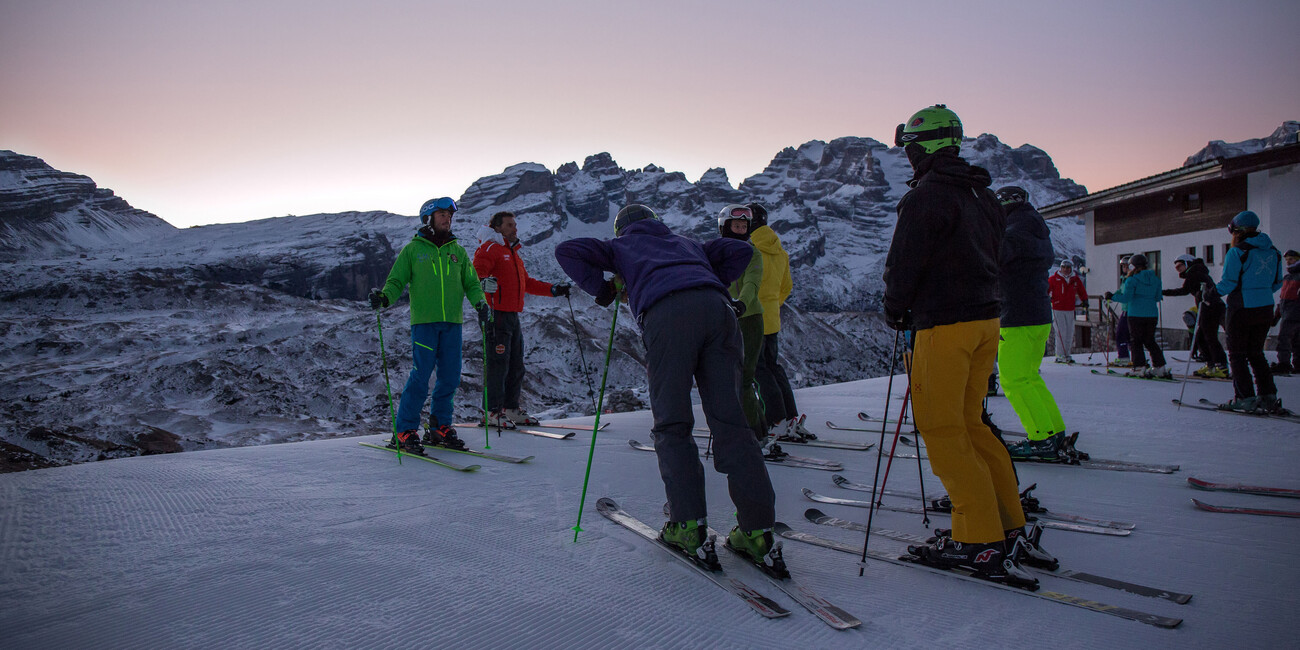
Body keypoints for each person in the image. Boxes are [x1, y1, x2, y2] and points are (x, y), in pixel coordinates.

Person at [554, 204, 783, 573]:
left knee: (673, 423)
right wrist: (710, 276)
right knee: (732, 424)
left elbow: (568, 251)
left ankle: (688, 526)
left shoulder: (621, 246)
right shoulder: (687, 242)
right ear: (657, 222)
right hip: (719, 312)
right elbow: (742, 250)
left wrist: (605, 288)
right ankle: (758, 533)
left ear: (621, 229)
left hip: (667, 316)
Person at [883, 104, 1041, 587]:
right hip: (986, 323)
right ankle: (1008, 525)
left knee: (943, 429)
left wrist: (896, 309)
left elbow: (904, 264)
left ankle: (976, 538)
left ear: (920, 147)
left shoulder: (926, 197)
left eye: (908, 146)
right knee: (972, 424)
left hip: (944, 327)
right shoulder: (983, 195)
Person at [368, 197, 489, 453]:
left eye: (449, 215)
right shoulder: (413, 250)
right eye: (442, 214)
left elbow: (472, 283)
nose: (447, 218)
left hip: (453, 324)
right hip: (424, 323)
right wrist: (384, 298)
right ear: (428, 218)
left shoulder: (457, 251)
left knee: (450, 377)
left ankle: (439, 427)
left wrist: (480, 303)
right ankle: (404, 430)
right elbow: (396, 281)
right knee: (421, 376)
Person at [473, 211, 571, 428]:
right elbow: (475, 275)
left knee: (516, 364)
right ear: (497, 228)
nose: (514, 228)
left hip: (512, 315)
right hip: (495, 313)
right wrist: (483, 283)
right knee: (498, 364)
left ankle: (510, 409)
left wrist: (553, 290)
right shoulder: (489, 248)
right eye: (509, 225)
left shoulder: (512, 252)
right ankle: (491, 412)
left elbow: (527, 283)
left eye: (514, 224)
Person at [993, 186, 1068, 461]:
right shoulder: (1035, 229)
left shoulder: (1014, 231)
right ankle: (1054, 432)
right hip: (1037, 315)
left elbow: (993, 257)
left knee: (1013, 380)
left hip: (1017, 316)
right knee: (1030, 377)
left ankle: (1041, 438)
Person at [748, 203, 811, 441]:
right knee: (773, 367)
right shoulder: (779, 250)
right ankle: (789, 417)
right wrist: (773, 304)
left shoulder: (750, 248)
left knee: (758, 371)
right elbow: (787, 287)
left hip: (752, 318)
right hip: (773, 319)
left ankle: (775, 421)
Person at [1215, 211, 1284, 412]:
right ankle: (1268, 395)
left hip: (1241, 308)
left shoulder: (1238, 252)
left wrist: (1212, 293)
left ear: (1236, 230)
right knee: (1256, 352)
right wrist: (1260, 292)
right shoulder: (1274, 252)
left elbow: (1228, 282)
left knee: (1237, 354)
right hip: (1265, 308)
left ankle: (1245, 397)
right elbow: (1277, 282)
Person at [717, 205, 767, 442]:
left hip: (749, 319)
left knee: (745, 378)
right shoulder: (717, 252)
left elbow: (752, 283)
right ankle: (758, 429)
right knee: (731, 378)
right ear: (725, 228)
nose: (740, 230)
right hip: (726, 317)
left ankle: (755, 435)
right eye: (735, 226)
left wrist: (741, 303)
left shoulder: (753, 253)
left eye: (743, 226)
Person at [1162, 253, 1228, 378]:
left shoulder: (1194, 273)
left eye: (1180, 266)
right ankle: (1212, 364)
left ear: (1187, 263)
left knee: (1208, 337)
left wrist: (1164, 293)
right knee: (1202, 337)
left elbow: (1184, 290)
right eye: (1176, 267)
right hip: (1209, 307)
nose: (1179, 269)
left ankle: (1220, 366)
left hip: (1209, 307)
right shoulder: (1197, 272)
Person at [1104, 254, 1168, 378]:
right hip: (1152, 314)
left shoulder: (1132, 280)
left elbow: (1126, 298)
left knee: (1136, 341)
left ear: (1132, 266)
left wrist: (1112, 296)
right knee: (1150, 340)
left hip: (1135, 314)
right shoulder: (1155, 279)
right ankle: (1160, 367)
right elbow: (1157, 297)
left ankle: (1139, 367)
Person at [1047, 259, 1088, 363]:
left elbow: (1081, 290)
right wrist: (1047, 299)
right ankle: (1060, 355)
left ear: (1071, 268)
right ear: (1060, 268)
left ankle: (1067, 354)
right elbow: (1046, 291)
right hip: (1057, 308)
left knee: (1070, 332)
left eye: (1068, 267)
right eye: (1064, 267)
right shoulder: (1053, 279)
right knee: (1061, 332)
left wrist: (1085, 300)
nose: (1066, 270)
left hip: (1070, 309)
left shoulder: (1075, 279)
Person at [1272, 249, 1300, 376]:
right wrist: (1277, 314)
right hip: (1288, 312)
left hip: (1293, 313)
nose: (1289, 262)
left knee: (1284, 338)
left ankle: (1284, 364)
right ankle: (1297, 364)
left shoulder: (1298, 276)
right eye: (1287, 260)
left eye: (1292, 259)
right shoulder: (1288, 277)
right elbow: (1283, 297)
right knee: (1296, 341)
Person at [1110, 256, 1133, 367]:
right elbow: (1121, 291)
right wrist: (1112, 295)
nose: (1124, 267)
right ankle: (1134, 358)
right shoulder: (1126, 279)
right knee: (1129, 336)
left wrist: (1113, 297)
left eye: (1125, 265)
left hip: (1128, 310)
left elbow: (1125, 296)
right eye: (1123, 265)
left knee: (1121, 334)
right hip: (1129, 310)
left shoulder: (1130, 279)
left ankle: (1124, 357)